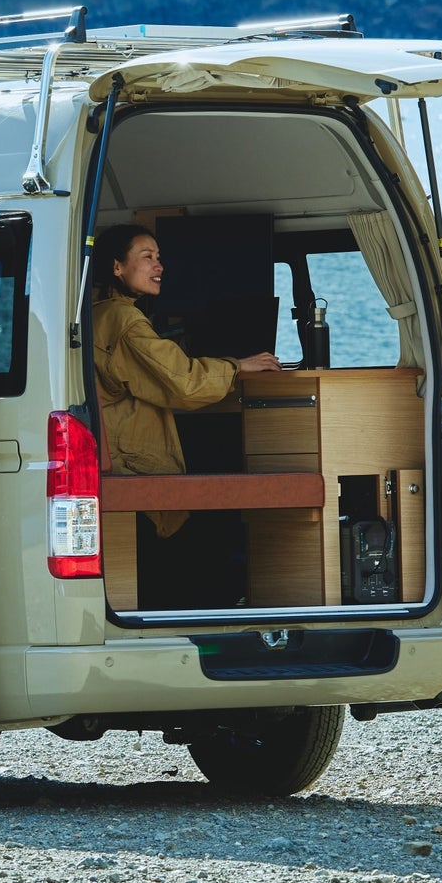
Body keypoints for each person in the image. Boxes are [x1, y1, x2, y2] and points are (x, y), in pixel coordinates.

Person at [91, 224, 281, 609]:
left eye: (159, 258)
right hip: (134, 470)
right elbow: (185, 383)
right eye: (147, 257)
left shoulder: (97, 313)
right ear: (116, 267)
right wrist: (237, 366)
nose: (159, 266)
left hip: (121, 463)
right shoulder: (125, 322)